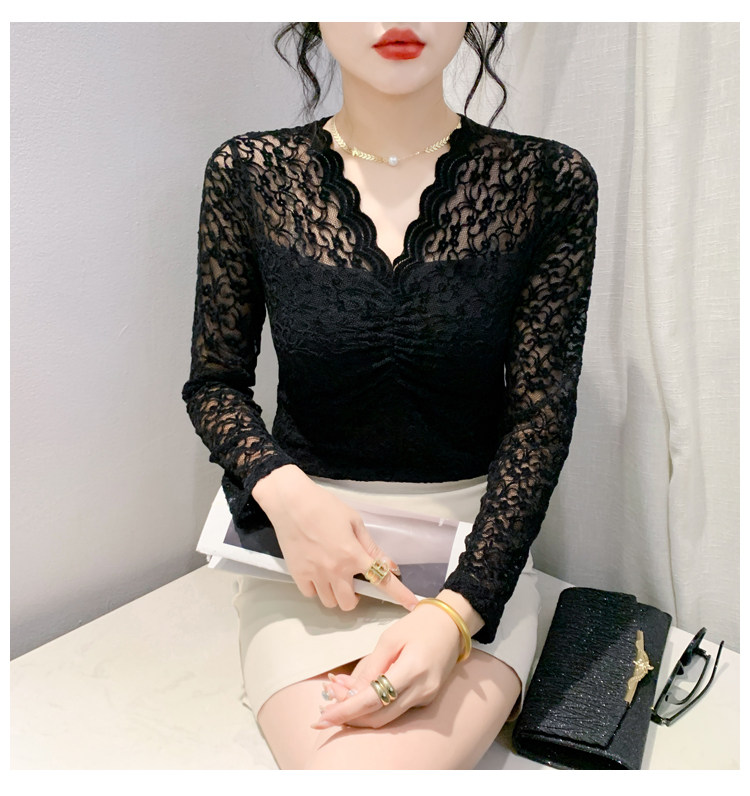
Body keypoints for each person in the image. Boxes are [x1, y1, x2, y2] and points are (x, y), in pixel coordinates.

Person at [182, 22, 598, 769]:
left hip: (475, 548)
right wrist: (288, 495)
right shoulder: (250, 172)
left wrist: (459, 612)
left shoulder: (548, 181)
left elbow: (540, 419)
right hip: (305, 549)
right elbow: (216, 384)